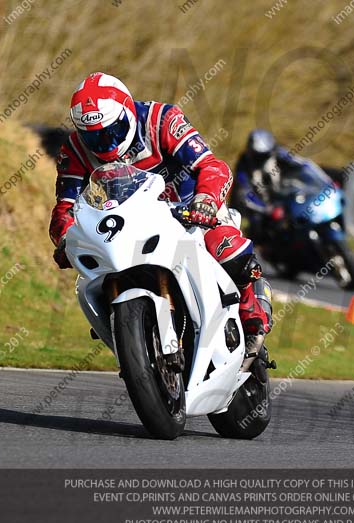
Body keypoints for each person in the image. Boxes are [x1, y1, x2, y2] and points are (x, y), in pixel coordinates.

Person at [49, 72, 271, 354]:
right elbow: (65, 207)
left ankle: (253, 319)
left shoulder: (161, 120)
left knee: (228, 250)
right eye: (94, 138)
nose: (105, 145)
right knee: (95, 277)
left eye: (111, 132)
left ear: (127, 112)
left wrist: (205, 200)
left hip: (190, 210)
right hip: (126, 225)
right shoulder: (74, 151)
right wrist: (65, 238)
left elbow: (213, 166)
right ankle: (130, 342)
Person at [232, 129, 307, 238]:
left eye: (265, 155)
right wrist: (267, 209)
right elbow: (244, 196)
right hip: (262, 212)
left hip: (287, 201)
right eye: (258, 156)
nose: (261, 159)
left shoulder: (279, 154)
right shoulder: (244, 167)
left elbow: (303, 165)